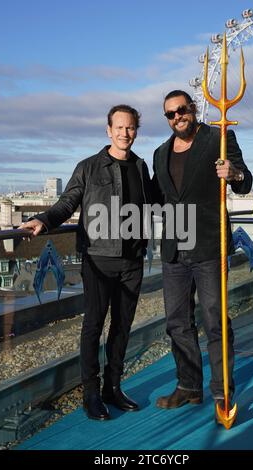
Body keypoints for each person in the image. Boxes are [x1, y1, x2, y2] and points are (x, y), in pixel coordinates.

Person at [20, 104, 152, 421]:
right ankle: (91, 395)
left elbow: (154, 204)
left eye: (131, 127)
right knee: (93, 326)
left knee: (122, 327)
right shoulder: (89, 166)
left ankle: (113, 388)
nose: (125, 133)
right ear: (109, 130)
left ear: (136, 130)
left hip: (132, 259)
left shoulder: (141, 166)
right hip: (97, 259)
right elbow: (67, 203)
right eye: (119, 127)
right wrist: (43, 220)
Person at [152, 90, 253, 419]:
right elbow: (154, 195)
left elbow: (245, 182)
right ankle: (188, 387)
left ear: (192, 109)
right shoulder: (159, 153)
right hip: (173, 248)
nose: (177, 117)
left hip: (209, 246)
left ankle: (223, 393)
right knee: (177, 323)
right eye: (170, 114)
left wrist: (233, 174)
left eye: (181, 110)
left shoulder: (219, 137)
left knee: (215, 324)